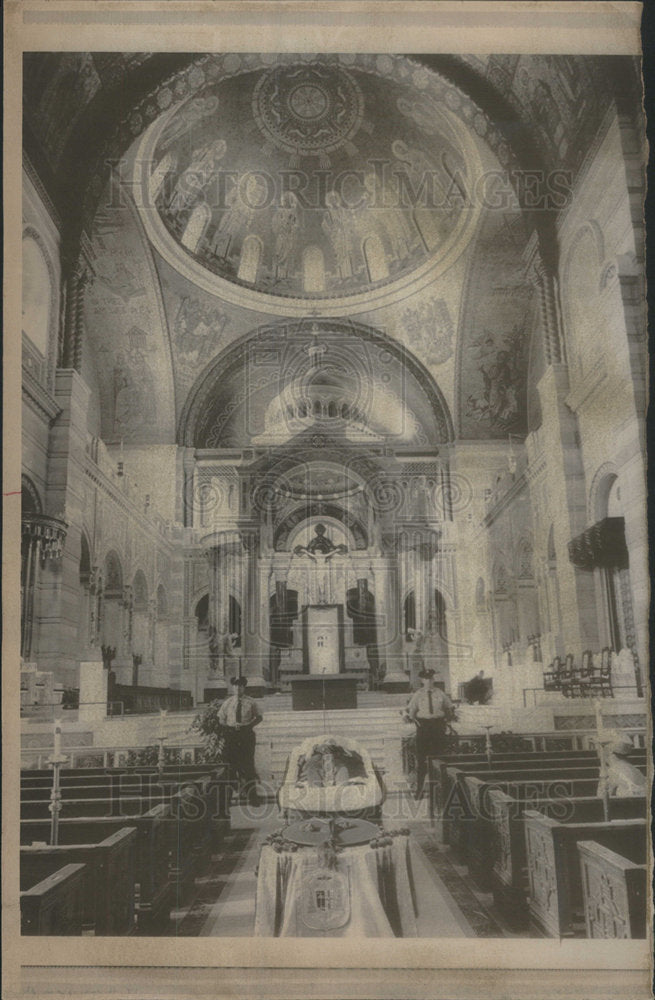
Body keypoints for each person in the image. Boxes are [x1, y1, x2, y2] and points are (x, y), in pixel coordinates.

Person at [406, 668, 455, 799]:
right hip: (424, 727)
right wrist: (417, 722)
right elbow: (411, 713)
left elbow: (449, 708)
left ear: (433, 680)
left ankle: (442, 791)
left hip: (438, 727)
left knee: (440, 757)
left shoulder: (440, 693)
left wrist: (446, 720)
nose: (429, 681)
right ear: (422, 680)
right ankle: (420, 790)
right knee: (422, 759)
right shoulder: (418, 694)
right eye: (426, 679)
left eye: (431, 678)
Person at [217, 676, 263, 804]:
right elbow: (221, 719)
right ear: (232, 687)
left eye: (240, 686)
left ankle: (252, 798)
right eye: (235, 686)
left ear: (244, 687)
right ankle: (228, 798)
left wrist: (247, 726)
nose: (238, 688)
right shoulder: (227, 703)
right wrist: (228, 727)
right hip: (231, 735)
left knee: (248, 766)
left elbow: (259, 717)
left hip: (246, 735)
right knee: (231, 767)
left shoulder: (251, 702)